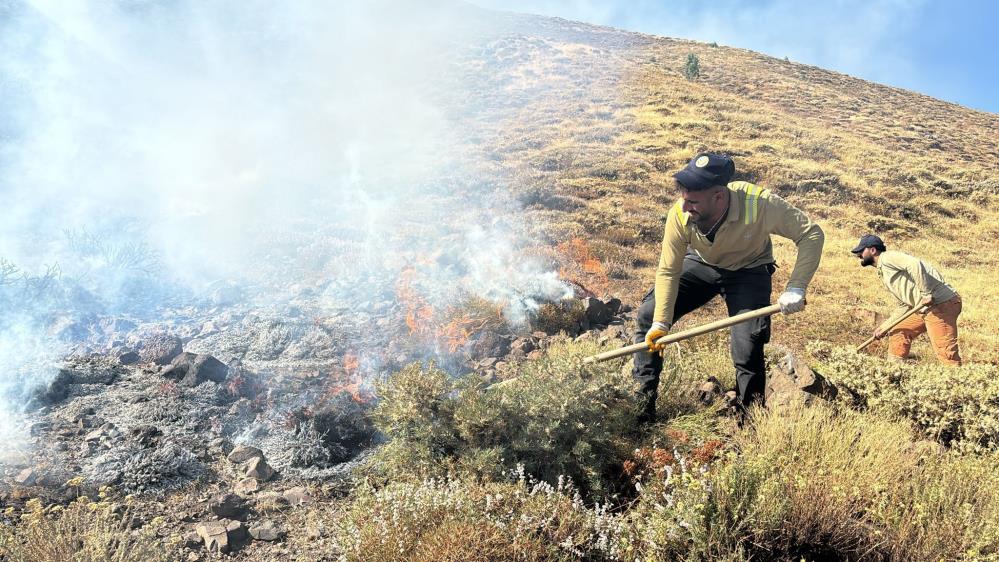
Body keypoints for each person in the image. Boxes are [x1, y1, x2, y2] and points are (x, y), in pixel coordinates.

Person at [633, 152, 825, 422]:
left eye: (693, 201)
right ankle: (641, 407)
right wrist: (661, 323)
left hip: (749, 270)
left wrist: (796, 286)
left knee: (747, 346)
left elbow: (811, 234)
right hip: (702, 263)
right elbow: (668, 270)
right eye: (684, 199)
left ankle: (749, 419)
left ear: (719, 197)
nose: (686, 206)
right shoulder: (681, 212)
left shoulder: (758, 204)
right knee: (648, 316)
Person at [851, 234, 962, 365]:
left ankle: (955, 380)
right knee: (899, 331)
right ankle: (894, 371)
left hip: (941, 304)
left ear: (873, 250)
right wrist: (885, 327)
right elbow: (904, 305)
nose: (858, 255)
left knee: (945, 352)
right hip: (925, 308)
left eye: (861, 251)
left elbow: (914, 264)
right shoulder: (883, 271)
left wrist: (926, 293)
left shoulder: (887, 258)